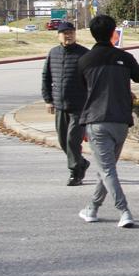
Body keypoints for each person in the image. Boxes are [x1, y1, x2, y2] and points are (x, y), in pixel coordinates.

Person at [77, 15, 139, 228]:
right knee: (107, 168)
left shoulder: (85, 60)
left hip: (97, 121)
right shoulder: (124, 58)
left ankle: (124, 211)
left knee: (107, 169)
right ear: (113, 32)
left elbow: (78, 92)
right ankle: (92, 208)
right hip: (121, 121)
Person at [40, 20, 90, 186]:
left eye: (71, 32)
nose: (68, 35)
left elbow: (92, 80)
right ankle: (81, 162)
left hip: (79, 106)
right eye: (64, 33)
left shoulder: (84, 54)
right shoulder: (53, 53)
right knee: (63, 140)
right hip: (60, 105)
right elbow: (46, 77)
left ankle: (75, 172)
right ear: (58, 36)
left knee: (72, 140)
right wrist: (48, 100)